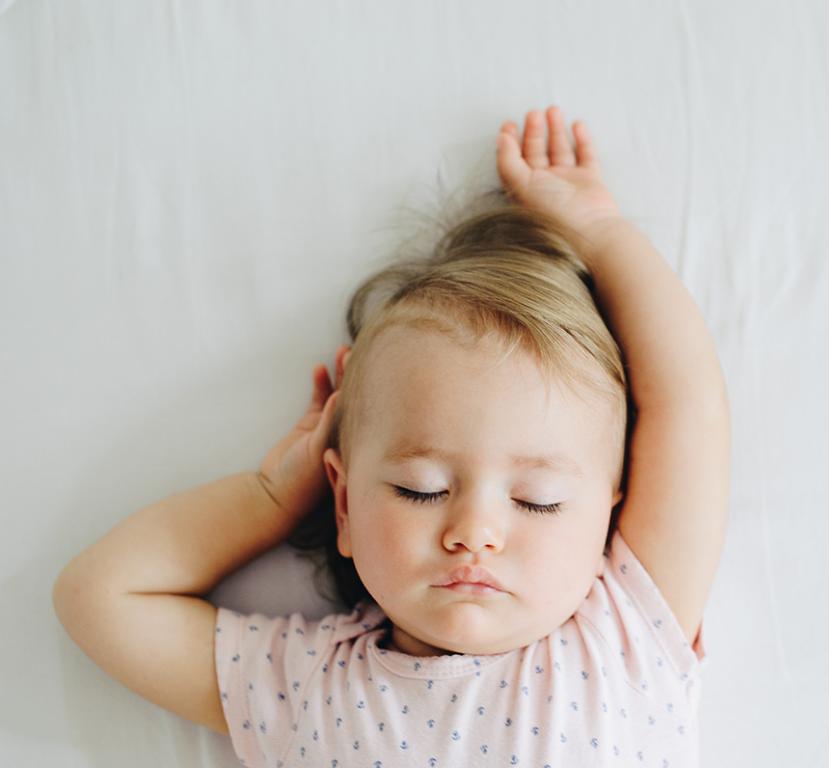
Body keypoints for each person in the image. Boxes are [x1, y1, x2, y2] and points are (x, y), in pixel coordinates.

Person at [52, 105, 730, 767]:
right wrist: (268, 499)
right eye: (420, 489)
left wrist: (600, 231)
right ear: (344, 504)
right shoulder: (307, 689)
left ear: (610, 509)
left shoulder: (626, 640)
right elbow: (99, 597)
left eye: (538, 499)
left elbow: (686, 408)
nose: (475, 531)